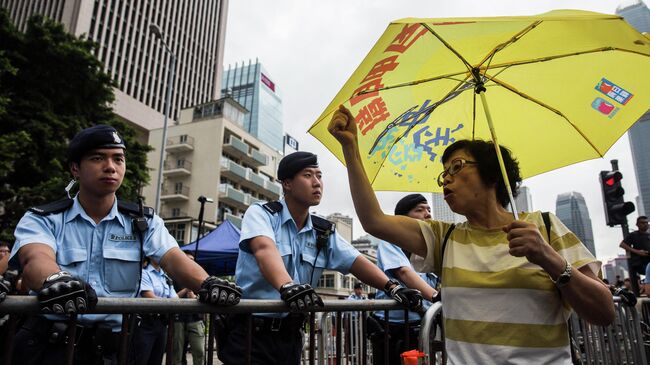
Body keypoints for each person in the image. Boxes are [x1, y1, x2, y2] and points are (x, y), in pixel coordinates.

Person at [328, 105, 614, 365]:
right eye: (443, 174)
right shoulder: (446, 238)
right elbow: (373, 220)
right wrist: (351, 149)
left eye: (457, 167)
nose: (446, 179)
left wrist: (549, 258)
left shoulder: (547, 228)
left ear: (492, 174)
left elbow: (603, 312)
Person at [9, 125, 242, 365]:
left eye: (118, 159)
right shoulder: (43, 218)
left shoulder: (143, 221)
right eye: (98, 158)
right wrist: (55, 280)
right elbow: (36, 257)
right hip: (51, 346)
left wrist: (207, 283)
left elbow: (173, 257)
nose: (110, 166)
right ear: (75, 168)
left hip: (117, 349)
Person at [218, 151, 423, 365]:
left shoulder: (322, 230)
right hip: (251, 333)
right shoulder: (262, 214)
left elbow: (356, 260)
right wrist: (287, 286)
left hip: (291, 335)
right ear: (287, 183)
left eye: (319, 176)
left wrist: (392, 287)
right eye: (308, 176)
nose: (317, 183)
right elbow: (263, 249)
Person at [370, 194, 440, 365]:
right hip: (391, 328)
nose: (427, 214)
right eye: (420, 210)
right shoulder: (390, 241)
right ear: (402, 219)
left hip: (421, 325)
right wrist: (436, 297)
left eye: (429, 209)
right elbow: (403, 272)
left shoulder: (430, 246)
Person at [129, 257, 177, 365]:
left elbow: (175, 299)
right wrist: (168, 302)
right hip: (145, 322)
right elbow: (149, 296)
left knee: (156, 360)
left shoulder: (165, 277)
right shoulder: (144, 273)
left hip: (161, 323)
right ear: (150, 256)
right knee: (140, 359)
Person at [172, 253, 205, 365]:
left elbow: (204, 298)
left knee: (199, 351)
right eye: (188, 259)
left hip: (195, 319)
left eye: (193, 260)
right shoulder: (174, 276)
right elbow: (171, 297)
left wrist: (195, 297)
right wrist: (186, 289)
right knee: (177, 354)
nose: (191, 262)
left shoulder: (199, 278)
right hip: (178, 319)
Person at [620, 216, 650, 295]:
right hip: (640, 264)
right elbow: (622, 244)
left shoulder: (649, 235)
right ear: (637, 224)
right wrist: (637, 252)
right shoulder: (633, 235)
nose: (646, 224)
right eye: (643, 223)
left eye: (647, 223)